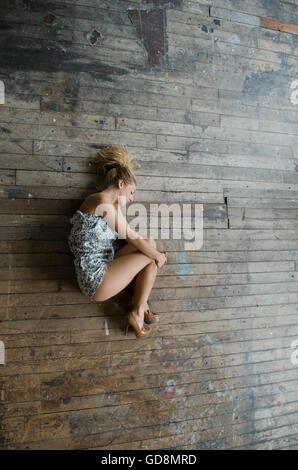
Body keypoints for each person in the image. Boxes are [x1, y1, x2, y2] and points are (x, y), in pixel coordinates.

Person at [68, 145, 167, 338]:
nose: (131, 199)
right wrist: (158, 257)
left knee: (149, 242)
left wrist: (153, 251)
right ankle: (138, 312)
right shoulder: (102, 202)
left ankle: (140, 304)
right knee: (151, 257)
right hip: (96, 277)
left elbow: (134, 238)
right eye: (132, 192)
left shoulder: (110, 205)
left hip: (106, 264)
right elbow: (130, 236)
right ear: (121, 184)